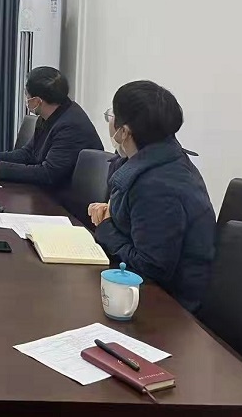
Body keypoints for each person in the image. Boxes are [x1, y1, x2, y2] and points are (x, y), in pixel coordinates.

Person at [88, 81, 216, 313]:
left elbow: (150, 267)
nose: (109, 120)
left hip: (168, 309)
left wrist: (106, 227)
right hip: (140, 289)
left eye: (112, 115)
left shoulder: (159, 186)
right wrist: (112, 212)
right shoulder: (158, 158)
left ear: (123, 131)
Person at [0, 67, 102, 189]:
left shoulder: (70, 125)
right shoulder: (49, 115)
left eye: (27, 95)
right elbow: (28, 153)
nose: (26, 99)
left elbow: (49, 174)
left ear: (37, 101)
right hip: (48, 191)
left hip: (65, 199)